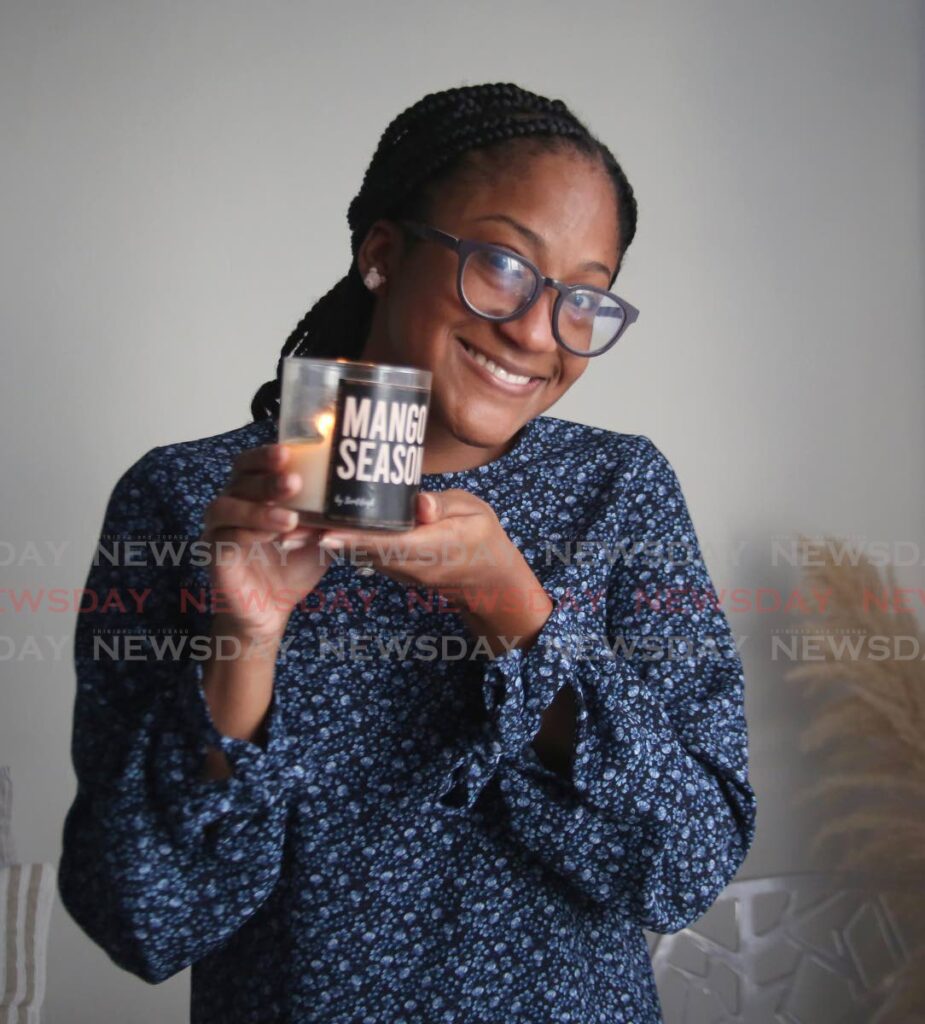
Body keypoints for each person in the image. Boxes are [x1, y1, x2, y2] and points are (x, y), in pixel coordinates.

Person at [58, 82, 757, 1023]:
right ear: (382, 253)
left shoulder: (618, 492)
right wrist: (244, 640)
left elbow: (682, 870)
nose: (536, 329)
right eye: (506, 264)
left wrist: (516, 613)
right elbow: (141, 922)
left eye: (582, 296)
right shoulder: (189, 502)